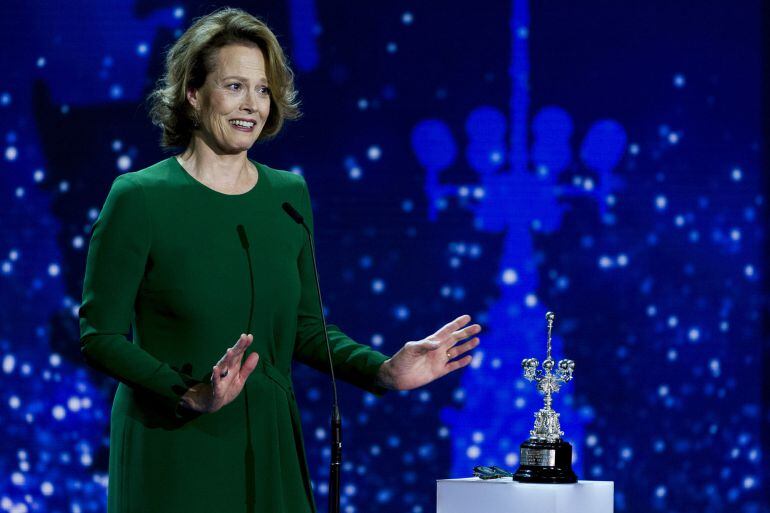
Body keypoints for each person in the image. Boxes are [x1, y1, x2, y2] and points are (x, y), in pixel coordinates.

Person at [79, 7, 481, 513]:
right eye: (234, 86)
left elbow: (305, 330)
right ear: (192, 93)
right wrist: (188, 392)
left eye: (263, 89)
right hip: (172, 440)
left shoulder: (287, 196)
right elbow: (100, 336)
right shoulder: (139, 197)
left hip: (266, 440)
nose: (252, 104)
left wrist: (381, 371)